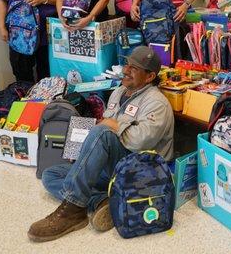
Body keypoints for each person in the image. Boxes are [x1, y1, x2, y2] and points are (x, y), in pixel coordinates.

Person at [28, 46, 174, 242]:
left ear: (149, 77)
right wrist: (85, 149)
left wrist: (112, 124)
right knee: (50, 174)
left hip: (138, 171)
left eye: (134, 68)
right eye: (126, 64)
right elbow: (105, 126)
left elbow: (139, 141)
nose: (126, 70)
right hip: (114, 168)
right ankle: (101, 201)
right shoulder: (119, 92)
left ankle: (72, 209)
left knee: (102, 132)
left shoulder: (157, 102)